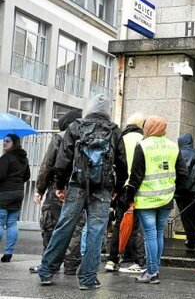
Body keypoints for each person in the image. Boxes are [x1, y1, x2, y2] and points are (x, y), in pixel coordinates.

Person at [38, 94, 128, 290]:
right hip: (102, 189)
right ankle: (87, 279)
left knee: (64, 228)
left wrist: (60, 186)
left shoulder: (75, 127)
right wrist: (117, 189)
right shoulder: (114, 131)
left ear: (89, 108)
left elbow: (63, 161)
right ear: (107, 112)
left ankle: (46, 271)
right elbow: (122, 165)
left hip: (77, 186)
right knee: (96, 233)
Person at [124, 115, 187, 284]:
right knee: (158, 234)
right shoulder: (173, 146)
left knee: (150, 236)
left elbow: (135, 177)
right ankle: (154, 268)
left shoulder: (143, 146)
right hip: (166, 199)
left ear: (148, 127)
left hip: (146, 200)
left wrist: (129, 198)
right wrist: (172, 188)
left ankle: (152, 272)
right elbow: (183, 174)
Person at [32, 109, 85, 275]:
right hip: (80, 188)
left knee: (50, 225)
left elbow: (48, 165)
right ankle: (71, 266)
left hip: (57, 188)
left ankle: (48, 264)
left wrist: (40, 189)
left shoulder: (60, 137)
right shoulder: (87, 137)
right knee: (76, 227)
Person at [105, 112, 146, 273]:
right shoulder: (142, 140)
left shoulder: (120, 138)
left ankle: (112, 259)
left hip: (120, 187)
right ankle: (135, 260)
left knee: (119, 224)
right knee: (136, 226)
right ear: (142, 125)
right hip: (138, 188)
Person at [0, 134, 30, 263]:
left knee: (0, 223)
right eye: (4, 141)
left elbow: (0, 176)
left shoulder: (6, 158)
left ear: (14, 143)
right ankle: (8, 253)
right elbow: (27, 176)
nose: (4, 143)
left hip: (4, 193)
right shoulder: (24, 158)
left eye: (7, 141)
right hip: (18, 193)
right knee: (12, 223)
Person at [175, 133, 195, 250]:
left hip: (180, 192)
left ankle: (192, 240)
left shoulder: (177, 155)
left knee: (185, 217)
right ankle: (193, 240)